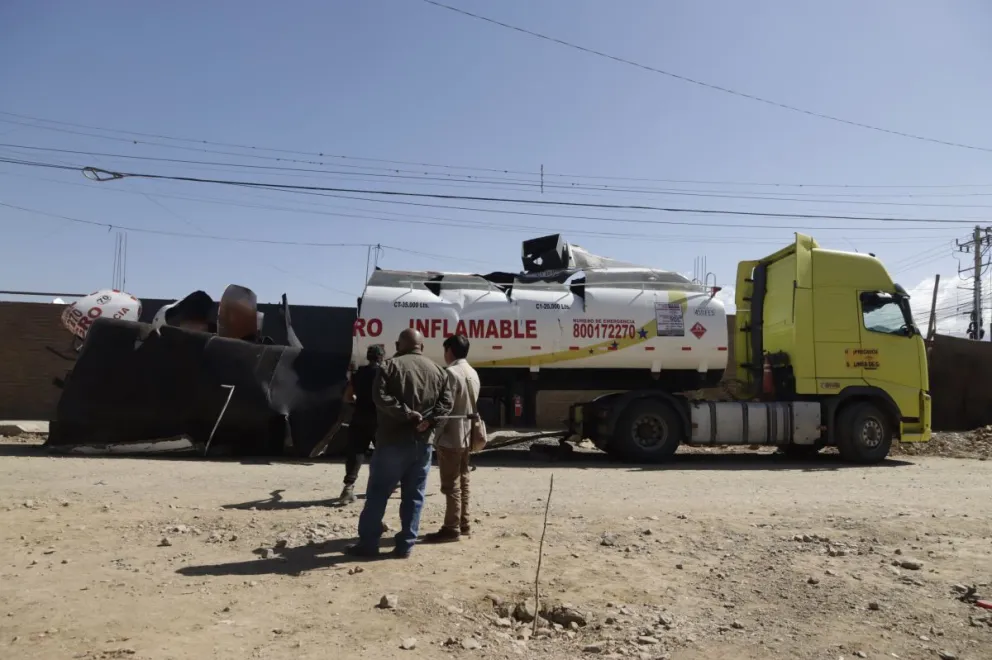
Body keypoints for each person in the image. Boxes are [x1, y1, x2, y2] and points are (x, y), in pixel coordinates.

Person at [346, 328, 453, 559]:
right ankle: (405, 545)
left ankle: (368, 545)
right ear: (422, 347)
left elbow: (380, 397)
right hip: (422, 444)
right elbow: (446, 404)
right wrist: (429, 422)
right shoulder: (438, 371)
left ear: (398, 345)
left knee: (378, 493)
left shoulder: (389, 367)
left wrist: (407, 414)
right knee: (414, 495)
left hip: (392, 442)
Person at [422, 334, 480, 543]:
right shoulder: (472, 373)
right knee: (463, 480)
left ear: (450, 351)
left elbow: (444, 408)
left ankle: (451, 527)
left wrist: (433, 433)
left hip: (450, 438)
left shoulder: (450, 373)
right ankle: (464, 523)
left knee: (450, 484)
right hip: (467, 436)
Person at [339, 345, 385, 504]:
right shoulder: (385, 373)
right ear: (381, 357)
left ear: (368, 357)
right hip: (379, 420)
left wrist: (357, 402)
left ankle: (348, 488)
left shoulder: (357, 374)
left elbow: (347, 397)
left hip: (359, 418)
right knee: (384, 453)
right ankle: (385, 486)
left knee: (356, 453)